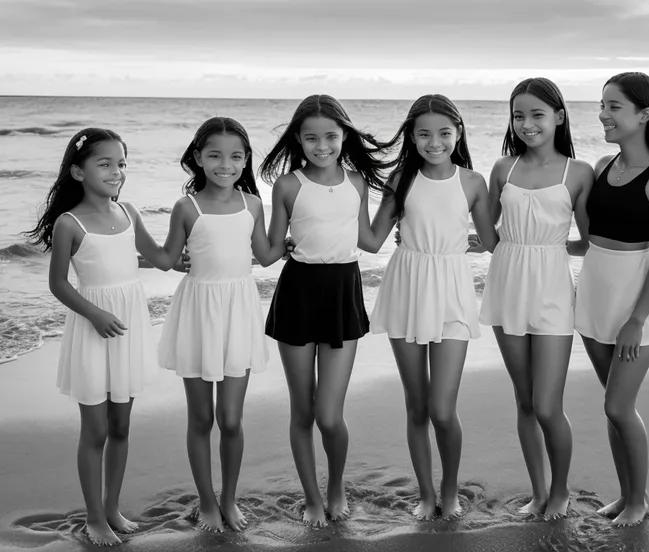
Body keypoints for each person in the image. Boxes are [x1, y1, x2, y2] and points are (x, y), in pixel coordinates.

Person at [25, 128, 163, 546]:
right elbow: (59, 284)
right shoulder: (70, 223)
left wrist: (189, 257)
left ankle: (112, 507)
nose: (116, 171)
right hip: (93, 330)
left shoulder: (129, 213)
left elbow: (155, 257)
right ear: (78, 171)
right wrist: (95, 313)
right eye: (105, 163)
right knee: (97, 430)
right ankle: (94, 518)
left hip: (129, 329)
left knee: (121, 425)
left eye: (121, 163)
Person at [363, 94, 497, 521]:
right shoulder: (401, 178)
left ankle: (450, 490)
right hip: (407, 287)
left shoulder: (473, 181)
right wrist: (317, 219)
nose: (434, 141)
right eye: (423, 133)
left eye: (443, 132)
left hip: (452, 291)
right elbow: (371, 240)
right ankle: (425, 494)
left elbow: (493, 240)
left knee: (443, 408)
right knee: (417, 405)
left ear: (458, 133)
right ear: (411, 136)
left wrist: (464, 245)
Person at [259, 94, 389, 527]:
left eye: (330, 136)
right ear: (298, 138)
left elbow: (369, 241)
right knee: (303, 411)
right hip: (298, 292)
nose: (321, 146)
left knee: (330, 414)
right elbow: (270, 251)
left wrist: (403, 199)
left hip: (342, 293)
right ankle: (312, 499)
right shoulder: (288, 185)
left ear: (344, 136)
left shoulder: (357, 183)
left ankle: (336, 487)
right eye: (311, 138)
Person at [156, 117, 286, 532]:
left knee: (231, 418)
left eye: (235, 156)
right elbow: (169, 259)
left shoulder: (252, 204)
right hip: (198, 312)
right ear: (198, 158)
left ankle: (229, 499)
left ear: (246, 160)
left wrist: (300, 239)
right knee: (201, 419)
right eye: (214, 155)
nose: (224, 164)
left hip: (239, 309)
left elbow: (265, 255)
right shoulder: (186, 207)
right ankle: (207, 502)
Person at [478, 78, 594, 519]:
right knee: (524, 401)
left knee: (548, 404)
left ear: (559, 117)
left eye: (537, 114)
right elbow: (489, 236)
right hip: (507, 282)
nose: (527, 124)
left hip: (551, 288)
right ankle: (539, 492)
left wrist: (548, 250)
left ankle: (561, 491)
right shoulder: (502, 168)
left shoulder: (577, 172)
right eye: (518, 115)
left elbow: (588, 240)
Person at [572, 72, 649, 526]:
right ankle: (627, 494)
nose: (603, 114)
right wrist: (517, 244)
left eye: (614, 106)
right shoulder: (600, 167)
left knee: (618, 406)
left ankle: (638, 502)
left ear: (644, 114)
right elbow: (587, 242)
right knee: (614, 407)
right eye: (603, 105)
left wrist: (636, 320)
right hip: (594, 299)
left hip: (636, 308)